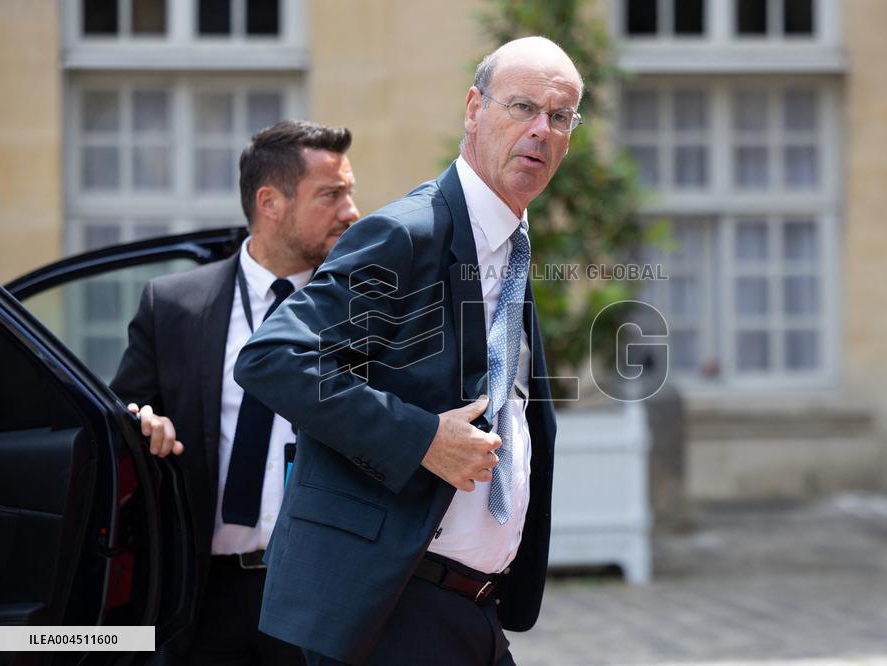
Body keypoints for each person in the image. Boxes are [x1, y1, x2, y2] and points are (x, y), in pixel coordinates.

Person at [234, 37, 582, 665]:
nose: (540, 131)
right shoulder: (406, 233)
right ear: (474, 109)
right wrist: (421, 439)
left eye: (559, 118)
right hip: (390, 611)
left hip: (472, 609)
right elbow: (275, 358)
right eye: (523, 107)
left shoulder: (510, 242)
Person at [110, 119, 360, 665]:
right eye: (332, 194)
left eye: (350, 192)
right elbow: (122, 419)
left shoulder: (362, 312)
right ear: (271, 202)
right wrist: (144, 423)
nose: (351, 211)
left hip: (315, 593)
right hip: (203, 595)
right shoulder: (172, 305)